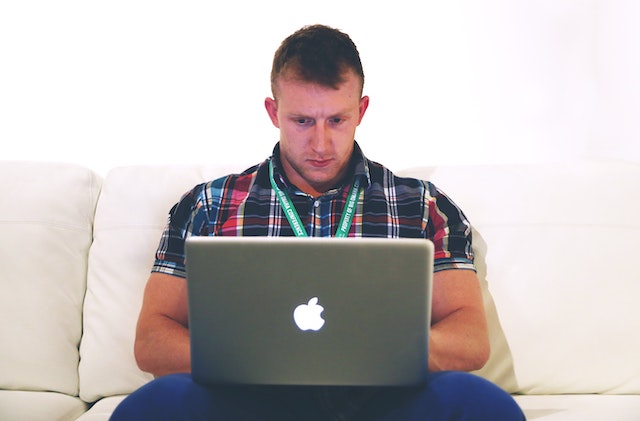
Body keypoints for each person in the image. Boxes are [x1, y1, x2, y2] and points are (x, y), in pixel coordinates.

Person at [111, 24, 525, 420]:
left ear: (361, 110)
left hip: (381, 407)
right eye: (302, 121)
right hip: (247, 406)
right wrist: (258, 356)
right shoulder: (209, 204)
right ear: (274, 112)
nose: (321, 144)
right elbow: (152, 340)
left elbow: (470, 339)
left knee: (485, 406)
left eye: (337, 120)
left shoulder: (423, 204)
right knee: (147, 407)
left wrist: (381, 351)